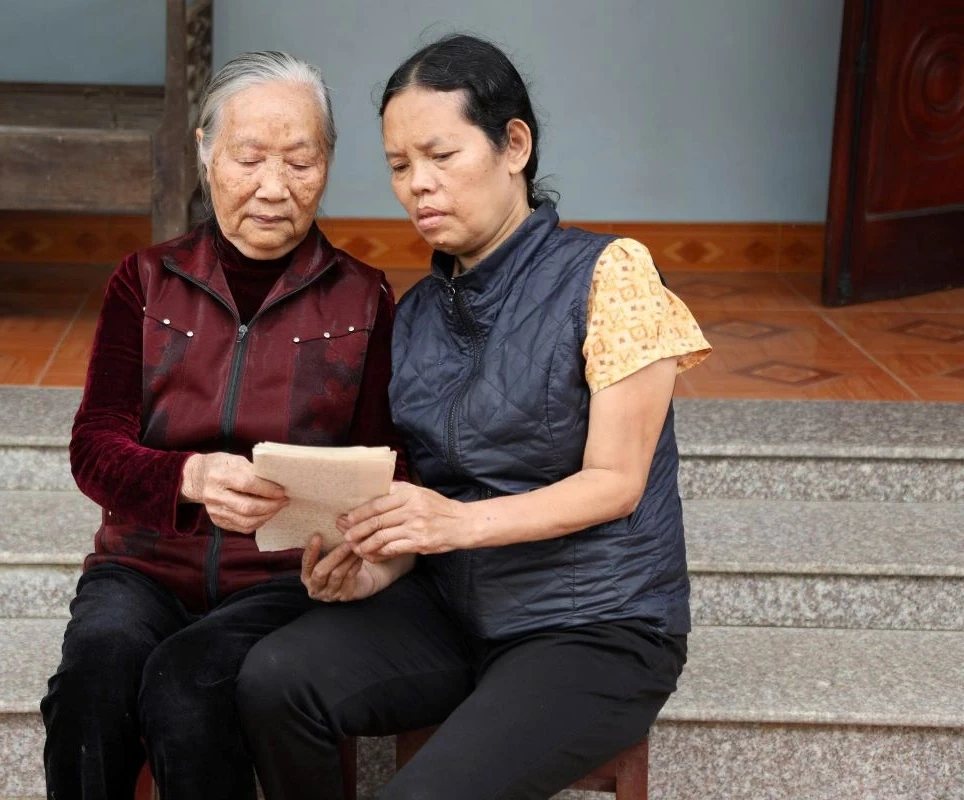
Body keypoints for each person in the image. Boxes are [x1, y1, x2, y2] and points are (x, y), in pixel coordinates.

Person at [237, 34, 712, 800]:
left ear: (513, 145)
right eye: (398, 166)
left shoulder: (610, 274)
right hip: (457, 613)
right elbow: (433, 493)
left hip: (594, 626)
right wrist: (380, 563)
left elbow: (616, 483)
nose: (417, 185)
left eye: (440, 155)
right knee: (274, 678)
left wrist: (454, 526)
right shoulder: (417, 315)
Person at [39, 50, 406, 800]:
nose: (274, 187)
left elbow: (392, 463)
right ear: (206, 151)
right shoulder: (145, 280)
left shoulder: (365, 299)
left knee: (188, 689)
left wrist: (353, 549)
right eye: (249, 158)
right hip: (141, 566)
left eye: (300, 162)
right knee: (92, 687)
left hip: (280, 580)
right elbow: (94, 448)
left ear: (328, 163)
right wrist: (189, 476)